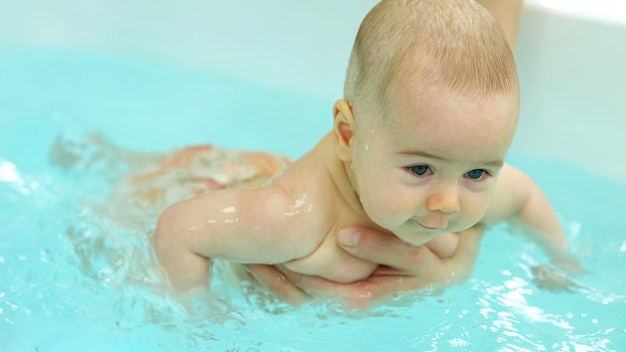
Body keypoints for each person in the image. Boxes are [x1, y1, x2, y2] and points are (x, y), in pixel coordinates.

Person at [152, 0, 579, 307]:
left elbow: (525, 198)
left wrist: (561, 263)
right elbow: (177, 230)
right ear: (348, 136)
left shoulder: (456, 163)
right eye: (419, 168)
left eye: (478, 174)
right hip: (197, 177)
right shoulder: (295, 217)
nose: (448, 203)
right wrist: (202, 323)